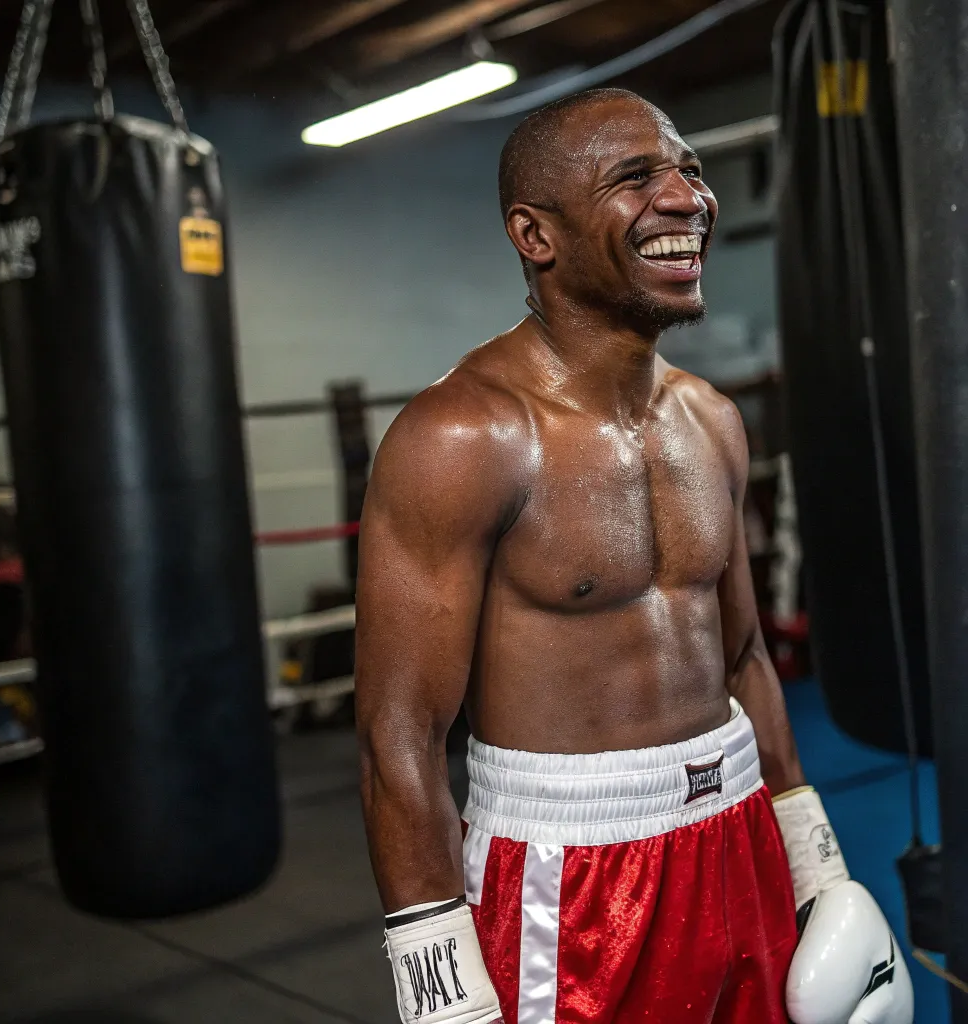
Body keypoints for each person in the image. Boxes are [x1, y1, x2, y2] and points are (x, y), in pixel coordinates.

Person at [354, 88, 913, 1024]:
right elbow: (398, 740)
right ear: (536, 235)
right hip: (572, 881)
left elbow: (742, 658)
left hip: (740, 833)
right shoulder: (464, 437)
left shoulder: (712, 420)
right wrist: (439, 991)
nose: (687, 197)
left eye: (690, 169)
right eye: (636, 176)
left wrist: (816, 867)